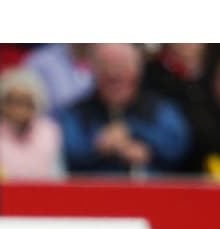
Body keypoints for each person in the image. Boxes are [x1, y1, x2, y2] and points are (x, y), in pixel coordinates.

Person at [57, 43, 192, 175]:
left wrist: (143, 143)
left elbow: (179, 145)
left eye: (120, 65)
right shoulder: (78, 112)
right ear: (93, 70)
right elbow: (66, 148)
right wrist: (98, 146)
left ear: (137, 70)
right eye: (105, 65)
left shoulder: (160, 109)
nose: (113, 73)